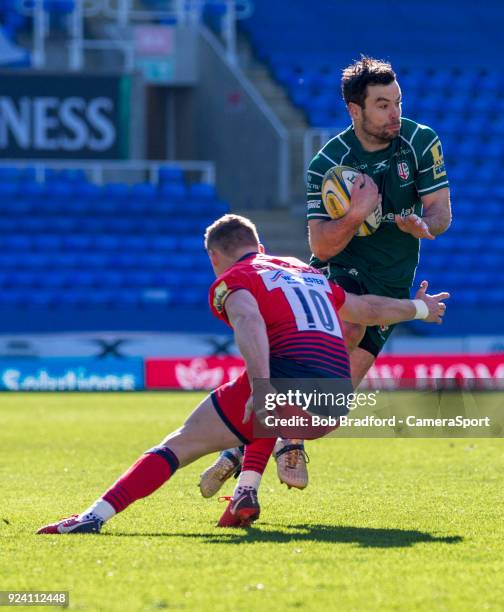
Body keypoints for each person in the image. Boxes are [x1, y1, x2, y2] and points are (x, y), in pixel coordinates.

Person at [37, 214, 448, 533]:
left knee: (181, 442)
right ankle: (245, 492)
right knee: (261, 404)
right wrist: (419, 309)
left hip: (288, 388)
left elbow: (250, 323)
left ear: (214, 258)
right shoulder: (305, 272)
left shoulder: (234, 280)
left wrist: (261, 384)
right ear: (260, 246)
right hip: (334, 402)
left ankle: (94, 516)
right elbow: (369, 310)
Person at [201, 55, 452, 492]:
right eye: (381, 105)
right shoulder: (328, 162)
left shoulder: (419, 140)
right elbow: (320, 246)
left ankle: (240, 450)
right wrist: (355, 214)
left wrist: (425, 226)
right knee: (349, 328)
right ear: (355, 111)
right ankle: (287, 445)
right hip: (339, 271)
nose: (394, 113)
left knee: (328, 406)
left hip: (391, 283)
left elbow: (442, 213)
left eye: (396, 101)